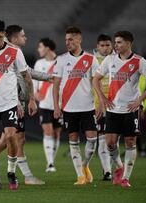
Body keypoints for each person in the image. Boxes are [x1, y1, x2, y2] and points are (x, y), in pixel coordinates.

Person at [0, 25, 49, 185]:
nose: (25, 38)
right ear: (14, 38)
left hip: (12, 101)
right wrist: (50, 77)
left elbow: (25, 74)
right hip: (7, 102)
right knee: (10, 137)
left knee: (16, 138)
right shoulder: (4, 52)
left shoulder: (14, 52)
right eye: (22, 35)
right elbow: (17, 77)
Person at [93, 30, 146, 187]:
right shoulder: (109, 60)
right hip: (113, 108)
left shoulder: (139, 61)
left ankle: (125, 178)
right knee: (110, 142)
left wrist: (140, 100)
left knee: (130, 141)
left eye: (119, 42)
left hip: (131, 108)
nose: (116, 45)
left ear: (129, 43)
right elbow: (96, 79)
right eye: (115, 42)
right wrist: (102, 99)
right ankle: (121, 167)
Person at [53, 26, 99, 185]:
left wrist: (100, 103)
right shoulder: (61, 59)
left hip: (88, 107)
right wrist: (56, 106)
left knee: (92, 140)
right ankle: (80, 175)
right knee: (73, 139)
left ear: (79, 39)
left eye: (71, 39)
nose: (67, 42)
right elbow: (56, 85)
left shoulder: (91, 59)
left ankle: (85, 165)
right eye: (66, 40)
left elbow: (96, 83)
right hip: (68, 108)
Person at [34, 37, 62, 173]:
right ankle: (50, 163)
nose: (38, 49)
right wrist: (34, 94)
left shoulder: (61, 62)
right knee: (48, 131)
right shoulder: (39, 63)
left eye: (40, 46)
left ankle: (52, 161)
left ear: (47, 48)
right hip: (44, 103)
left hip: (59, 104)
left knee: (56, 134)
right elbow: (33, 80)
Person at [92, 34, 114, 180]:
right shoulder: (92, 61)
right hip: (98, 106)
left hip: (116, 106)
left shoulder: (118, 59)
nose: (105, 48)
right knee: (102, 138)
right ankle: (107, 171)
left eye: (107, 45)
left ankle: (113, 169)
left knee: (113, 140)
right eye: (102, 45)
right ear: (97, 47)